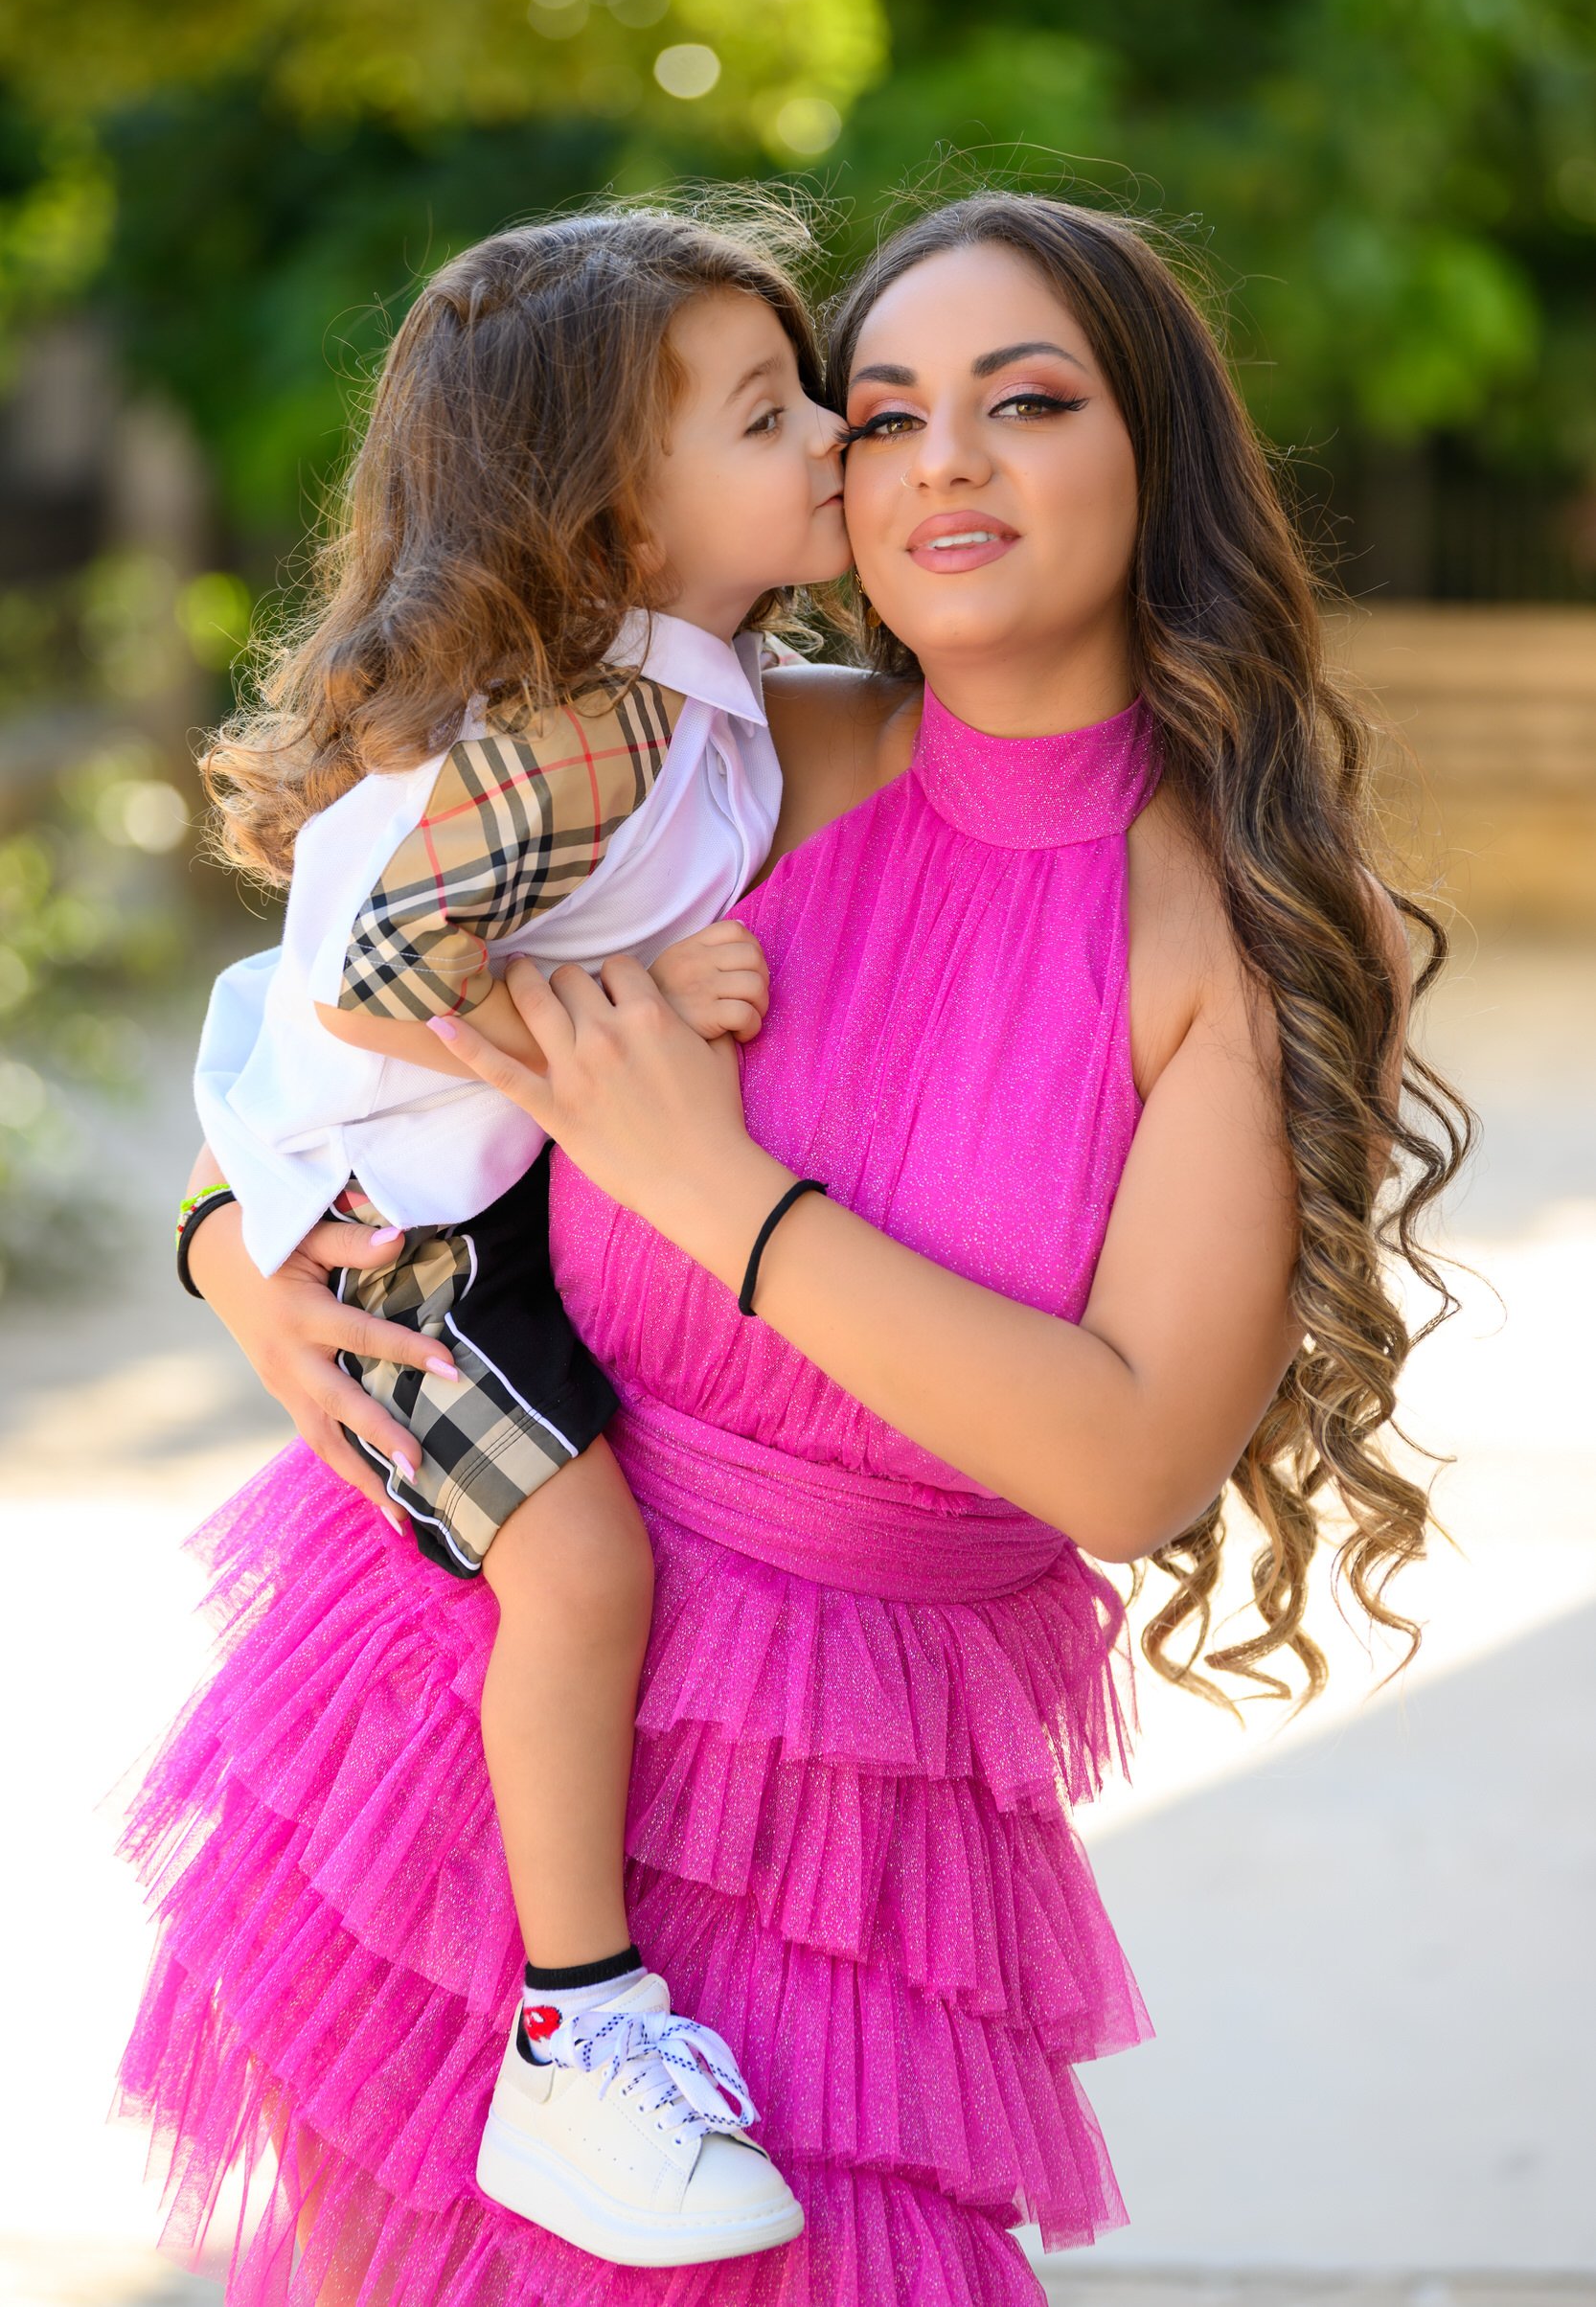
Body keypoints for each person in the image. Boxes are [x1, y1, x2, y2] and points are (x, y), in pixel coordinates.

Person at [122, 190, 1467, 2307]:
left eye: (1027, 400)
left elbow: (1126, 1463)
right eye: (885, 408)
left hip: (852, 1797)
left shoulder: (1265, 925)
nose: (938, 460)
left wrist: (714, 1190)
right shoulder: (739, 748)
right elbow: (354, 1002)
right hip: (464, 1689)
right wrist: (226, 1238)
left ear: (1163, 452)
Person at [168, 205, 857, 2268]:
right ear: (624, 518)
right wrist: (636, 997)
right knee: (578, 1562)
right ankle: (577, 2026)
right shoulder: (592, 730)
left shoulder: (696, 688)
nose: (832, 435)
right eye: (767, 417)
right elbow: (379, 977)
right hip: (399, 1224)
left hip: (456, 1185)